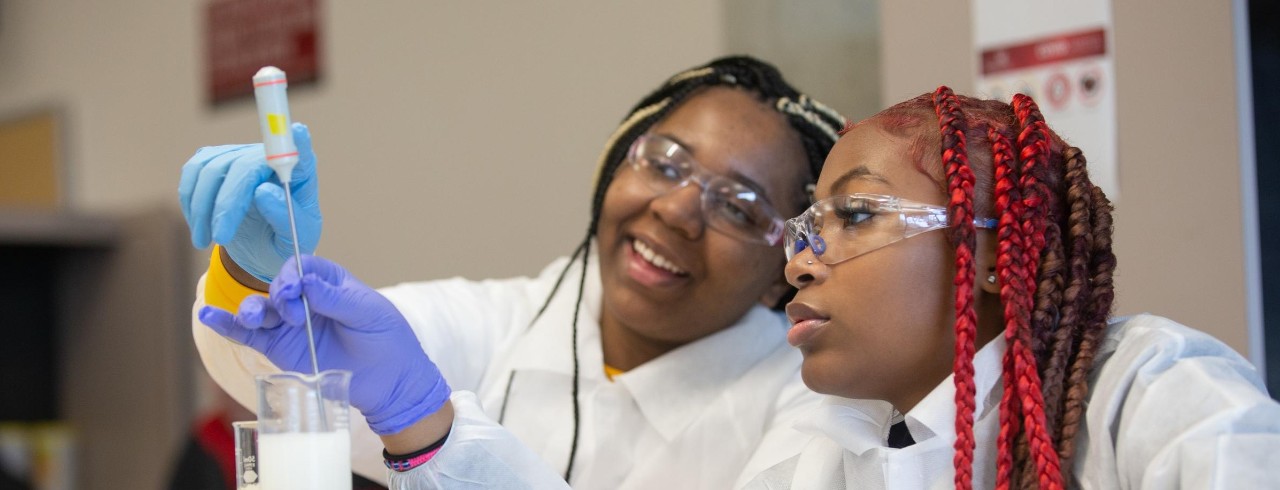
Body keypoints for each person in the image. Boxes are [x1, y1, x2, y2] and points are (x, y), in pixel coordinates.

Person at [180, 56, 847, 487]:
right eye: (666, 164)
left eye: (737, 205)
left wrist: (433, 432)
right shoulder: (500, 324)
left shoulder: (812, 406)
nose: (676, 210)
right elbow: (276, 374)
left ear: (781, 267)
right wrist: (254, 268)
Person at [746, 87, 1280, 489]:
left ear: (996, 257)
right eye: (808, 232)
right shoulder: (810, 453)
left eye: (857, 215)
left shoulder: (1148, 390)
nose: (800, 266)